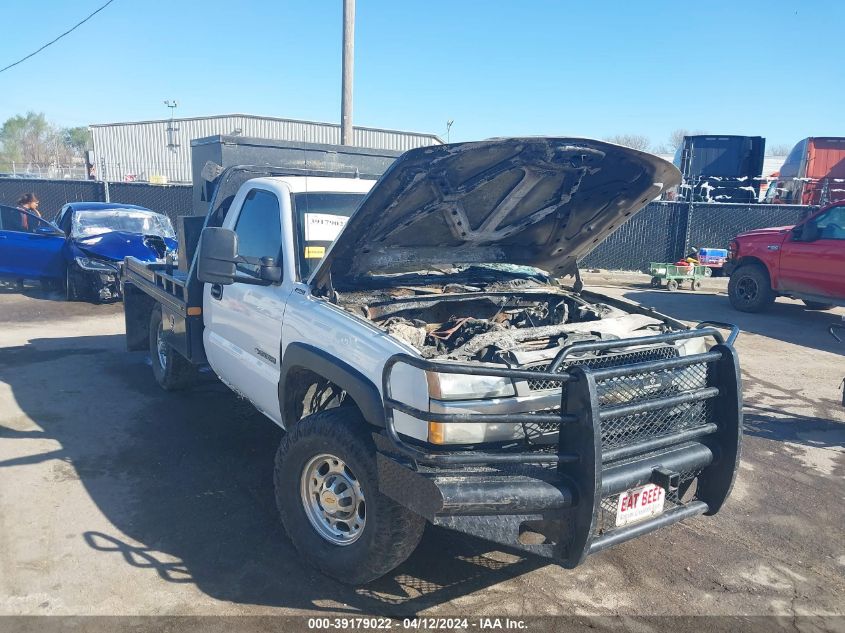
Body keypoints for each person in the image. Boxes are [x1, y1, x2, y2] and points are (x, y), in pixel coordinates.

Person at [13, 193, 42, 289]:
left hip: (24, 238)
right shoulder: (21, 211)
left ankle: (21, 282)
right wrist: (37, 214)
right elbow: (35, 224)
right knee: (22, 260)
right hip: (22, 238)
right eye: (36, 203)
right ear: (30, 202)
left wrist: (36, 211)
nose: (37, 204)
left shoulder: (25, 211)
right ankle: (19, 283)